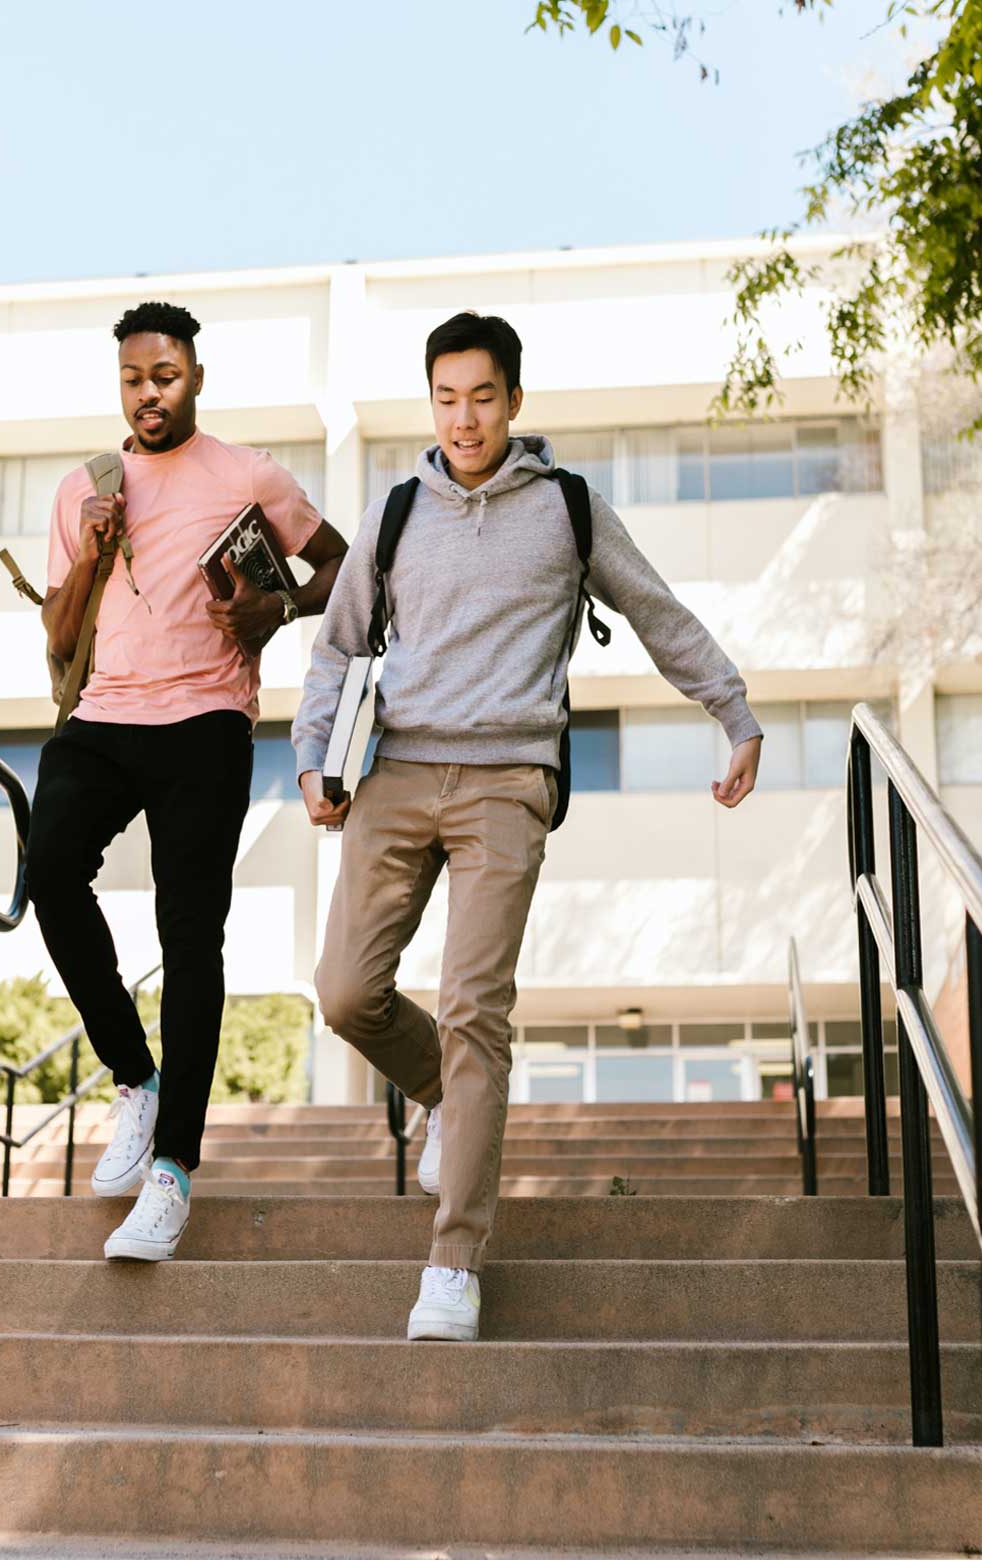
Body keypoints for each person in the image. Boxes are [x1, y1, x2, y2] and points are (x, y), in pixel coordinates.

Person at [291, 311, 763, 1341]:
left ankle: (453, 1260)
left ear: (513, 400)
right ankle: (447, 1105)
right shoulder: (398, 509)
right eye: (446, 397)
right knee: (344, 992)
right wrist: (314, 755)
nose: (465, 418)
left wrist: (733, 712)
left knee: (473, 1010)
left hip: (509, 778)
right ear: (431, 403)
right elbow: (334, 650)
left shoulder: (567, 510)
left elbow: (657, 612)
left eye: (483, 396)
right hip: (394, 774)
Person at [26, 300, 348, 1261]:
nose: (148, 394)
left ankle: (170, 1174)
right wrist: (91, 543)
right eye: (132, 379)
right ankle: (136, 1077)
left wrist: (277, 609)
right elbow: (54, 633)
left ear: (195, 377)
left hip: (207, 720)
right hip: (103, 715)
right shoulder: (85, 486)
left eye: (164, 376)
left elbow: (336, 564)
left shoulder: (247, 474)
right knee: (47, 874)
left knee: (189, 931)